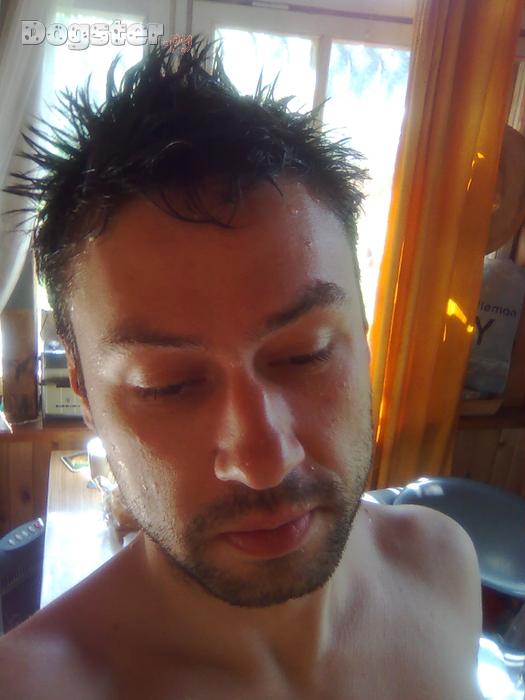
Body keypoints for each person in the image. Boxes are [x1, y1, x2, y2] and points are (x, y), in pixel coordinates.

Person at [0, 41, 483, 699]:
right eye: (167, 385)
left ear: (364, 334)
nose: (264, 461)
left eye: (306, 353)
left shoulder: (442, 565)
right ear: (83, 391)